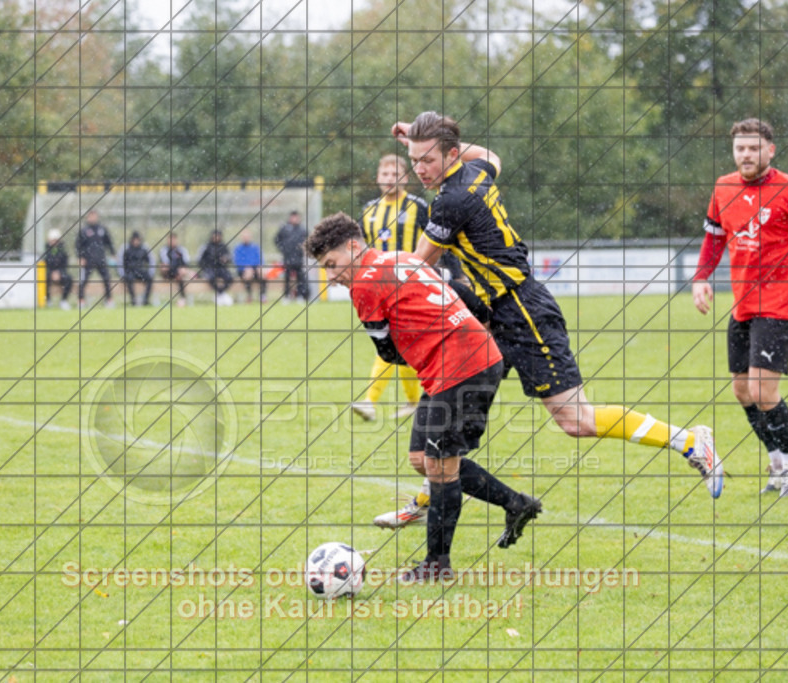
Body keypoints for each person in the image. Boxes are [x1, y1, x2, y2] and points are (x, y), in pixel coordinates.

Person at [375, 111, 721, 529]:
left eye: (426, 160)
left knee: (576, 420)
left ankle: (689, 441)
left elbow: (414, 268)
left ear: (450, 155)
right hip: (486, 312)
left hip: (521, 311)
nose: (418, 170)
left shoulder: (453, 200)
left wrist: (367, 275)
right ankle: (431, 494)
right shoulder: (474, 171)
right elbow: (489, 152)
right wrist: (420, 140)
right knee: (447, 397)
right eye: (412, 160)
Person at [305, 212, 542, 582]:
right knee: (422, 459)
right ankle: (516, 503)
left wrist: (420, 338)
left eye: (332, 264)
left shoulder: (364, 285)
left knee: (441, 466)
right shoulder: (401, 257)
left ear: (353, 247)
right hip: (460, 363)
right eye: (325, 268)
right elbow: (461, 292)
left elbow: (386, 353)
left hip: (461, 367)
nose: (331, 275)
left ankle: (436, 565)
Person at [693, 118, 788, 498]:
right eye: (740, 148)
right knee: (742, 390)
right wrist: (701, 277)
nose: (746, 154)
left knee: (762, 388)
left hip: (782, 303)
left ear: (769, 150)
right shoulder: (723, 187)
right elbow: (713, 238)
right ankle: (776, 465)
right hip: (743, 305)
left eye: (753, 148)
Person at [351, 154, 428, 423]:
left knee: (391, 340)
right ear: (377, 178)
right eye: (384, 175)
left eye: (395, 174)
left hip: (410, 284)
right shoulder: (369, 210)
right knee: (400, 343)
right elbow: (361, 248)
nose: (389, 179)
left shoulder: (418, 207)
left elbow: (439, 240)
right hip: (379, 287)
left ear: (405, 178)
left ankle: (370, 401)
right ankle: (414, 402)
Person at [76, 210, 115, 307]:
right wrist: (80, 257)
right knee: (83, 280)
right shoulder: (84, 231)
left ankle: (109, 300)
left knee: (107, 279)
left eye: (94, 216)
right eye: (91, 216)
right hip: (88, 260)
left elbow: (109, 242)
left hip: (101, 259)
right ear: (87, 218)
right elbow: (78, 245)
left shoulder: (102, 229)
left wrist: (113, 253)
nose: (93, 218)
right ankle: (81, 301)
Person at [275, 210, 309, 303]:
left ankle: (300, 296)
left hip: (299, 259)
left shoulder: (303, 230)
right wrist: (283, 249)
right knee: (287, 278)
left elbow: (308, 241)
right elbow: (276, 240)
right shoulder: (284, 229)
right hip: (287, 258)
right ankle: (286, 296)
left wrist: (303, 250)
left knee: (300, 278)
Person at [198, 230, 234, 306]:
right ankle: (221, 294)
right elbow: (200, 261)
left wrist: (225, 259)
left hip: (221, 268)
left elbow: (229, 258)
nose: (216, 238)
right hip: (210, 268)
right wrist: (207, 265)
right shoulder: (206, 247)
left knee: (229, 277)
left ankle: (220, 294)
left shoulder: (223, 246)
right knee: (211, 278)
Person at [119, 231, 155, 306]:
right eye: (134, 240)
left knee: (150, 279)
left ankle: (145, 300)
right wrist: (122, 274)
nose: (136, 242)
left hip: (140, 271)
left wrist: (151, 272)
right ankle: (133, 301)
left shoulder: (144, 249)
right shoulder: (126, 249)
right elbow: (121, 262)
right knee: (129, 279)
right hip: (130, 272)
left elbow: (151, 260)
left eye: (137, 240)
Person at [43, 229, 73, 309]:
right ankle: (47, 300)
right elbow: (44, 264)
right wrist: (51, 272)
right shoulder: (45, 251)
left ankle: (63, 300)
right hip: (49, 273)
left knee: (69, 279)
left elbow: (65, 265)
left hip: (60, 273)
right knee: (43, 279)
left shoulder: (63, 251)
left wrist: (59, 272)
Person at [233, 229, 266, 303]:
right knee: (248, 274)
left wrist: (258, 267)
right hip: (243, 270)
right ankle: (249, 295)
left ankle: (262, 295)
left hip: (255, 268)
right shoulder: (238, 248)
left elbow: (260, 259)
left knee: (262, 273)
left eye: (247, 236)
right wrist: (246, 267)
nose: (246, 238)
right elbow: (237, 261)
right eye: (244, 237)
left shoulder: (255, 247)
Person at [159, 232, 191, 307]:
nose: (172, 241)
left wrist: (183, 269)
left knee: (180, 274)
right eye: (170, 239)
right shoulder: (164, 250)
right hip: (168, 274)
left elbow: (186, 263)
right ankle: (182, 299)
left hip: (178, 274)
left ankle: (182, 299)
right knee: (171, 270)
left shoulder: (181, 250)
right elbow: (165, 264)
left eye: (173, 239)